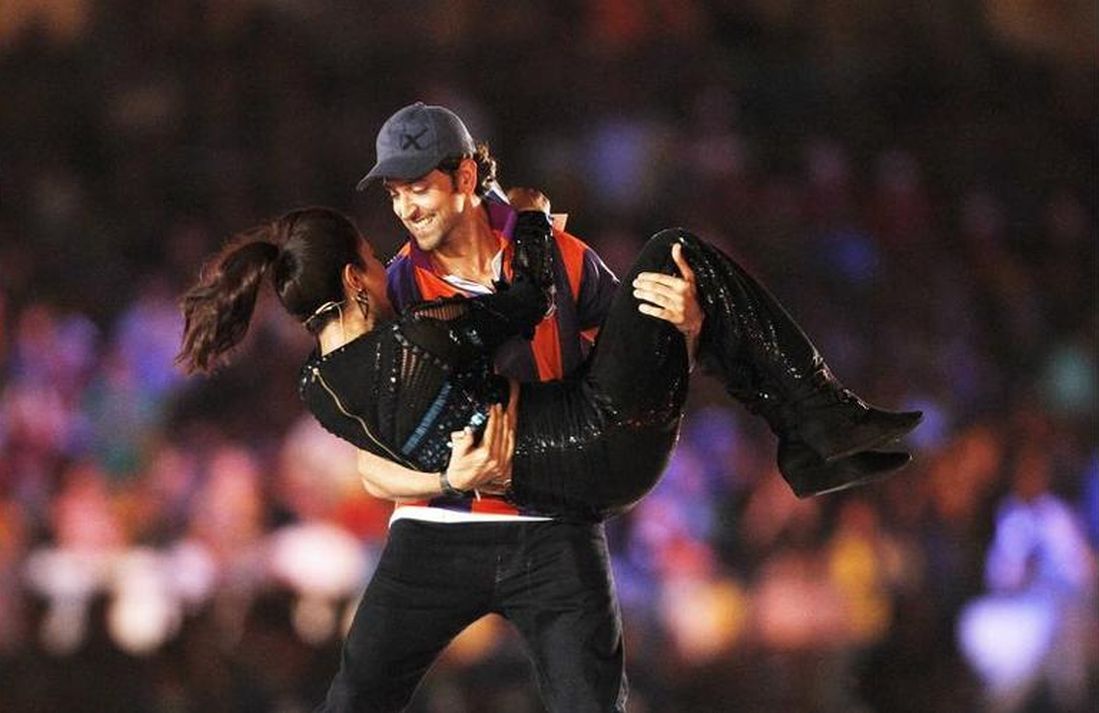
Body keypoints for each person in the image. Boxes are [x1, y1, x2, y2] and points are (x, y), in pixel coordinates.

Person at [176, 104, 920, 712]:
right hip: (441, 532)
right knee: (360, 693)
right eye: (393, 195)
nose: (403, 210)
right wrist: (448, 477)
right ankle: (818, 426)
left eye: (417, 188)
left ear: (465, 176)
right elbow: (374, 471)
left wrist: (684, 331)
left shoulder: (563, 260)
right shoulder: (393, 294)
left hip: (555, 524)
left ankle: (818, 422)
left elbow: (621, 381)